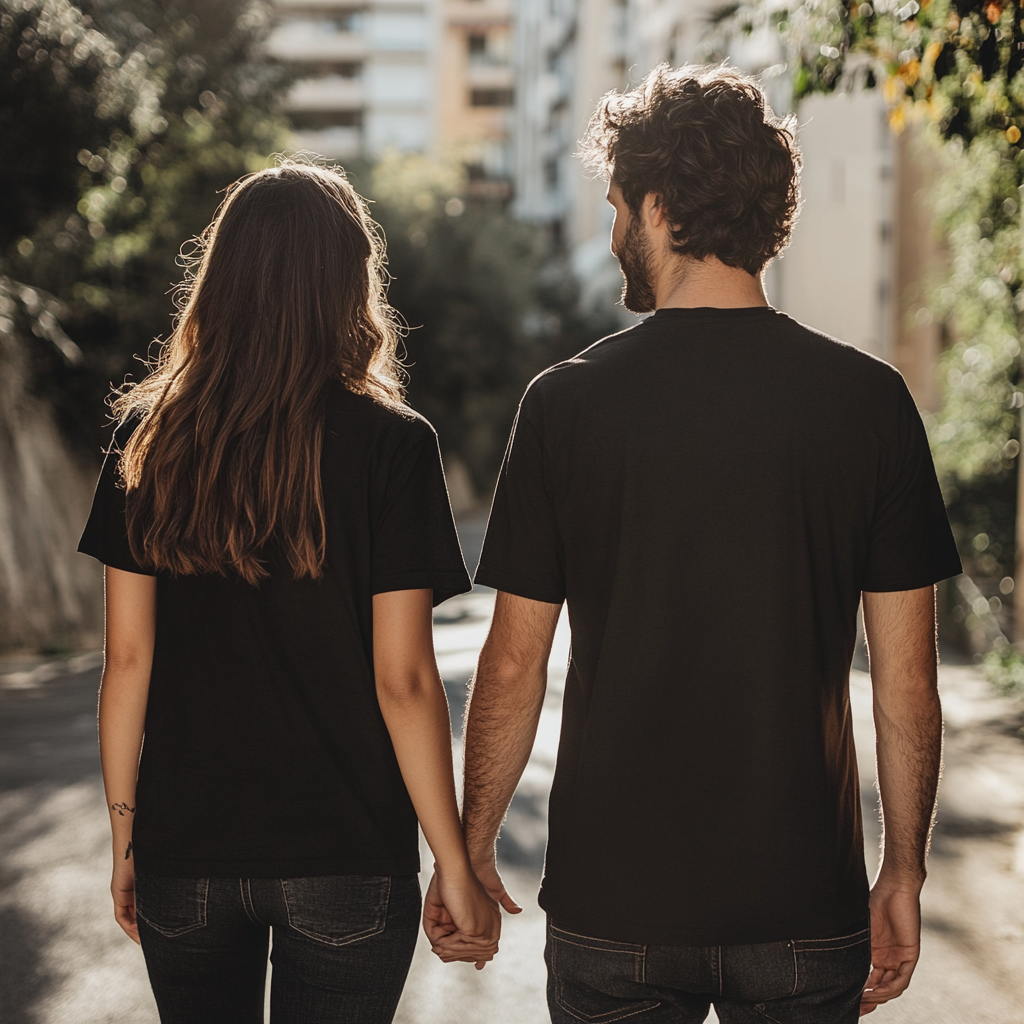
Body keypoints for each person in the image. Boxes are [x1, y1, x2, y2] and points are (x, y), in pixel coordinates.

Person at [434, 65, 963, 1022]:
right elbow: (907, 681)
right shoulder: (869, 403)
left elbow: (513, 664)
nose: (612, 238)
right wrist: (903, 870)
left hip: (615, 914)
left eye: (617, 208)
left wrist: (469, 848)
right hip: (806, 908)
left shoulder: (567, 406)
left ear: (660, 205)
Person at [78, 161, 499, 1024]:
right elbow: (405, 680)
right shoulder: (394, 446)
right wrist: (453, 859)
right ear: (348, 284)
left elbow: (127, 662)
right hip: (346, 856)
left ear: (221, 278)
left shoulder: (148, 440)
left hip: (182, 858)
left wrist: (128, 839)